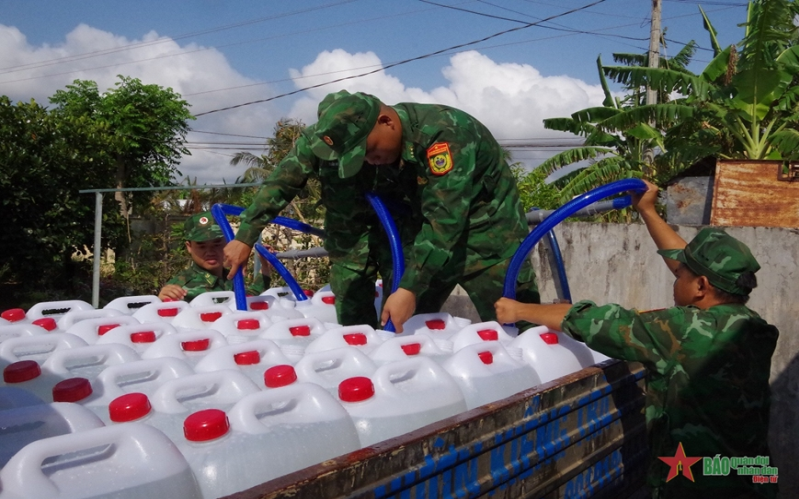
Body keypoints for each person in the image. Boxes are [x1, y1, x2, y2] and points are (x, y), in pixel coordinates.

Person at [494, 180, 778, 499]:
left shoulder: (680, 330)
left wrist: (519, 309)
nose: (675, 273)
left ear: (700, 286)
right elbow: (687, 265)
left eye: (681, 273)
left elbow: (598, 322)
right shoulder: (755, 328)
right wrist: (647, 211)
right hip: (751, 475)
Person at [224, 90, 540, 332]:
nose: (369, 162)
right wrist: (246, 234)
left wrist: (408, 287)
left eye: (371, 152)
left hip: (487, 241)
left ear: (387, 122)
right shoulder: (333, 140)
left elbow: (446, 219)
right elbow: (280, 183)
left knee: (518, 327)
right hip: (425, 244)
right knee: (404, 327)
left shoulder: (443, 134)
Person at [158, 211, 272, 302]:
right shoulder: (180, 287)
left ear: (227, 243)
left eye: (217, 244)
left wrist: (265, 268)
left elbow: (248, 298)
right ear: (189, 247)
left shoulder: (230, 277)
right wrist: (160, 301)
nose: (210, 252)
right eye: (202, 246)